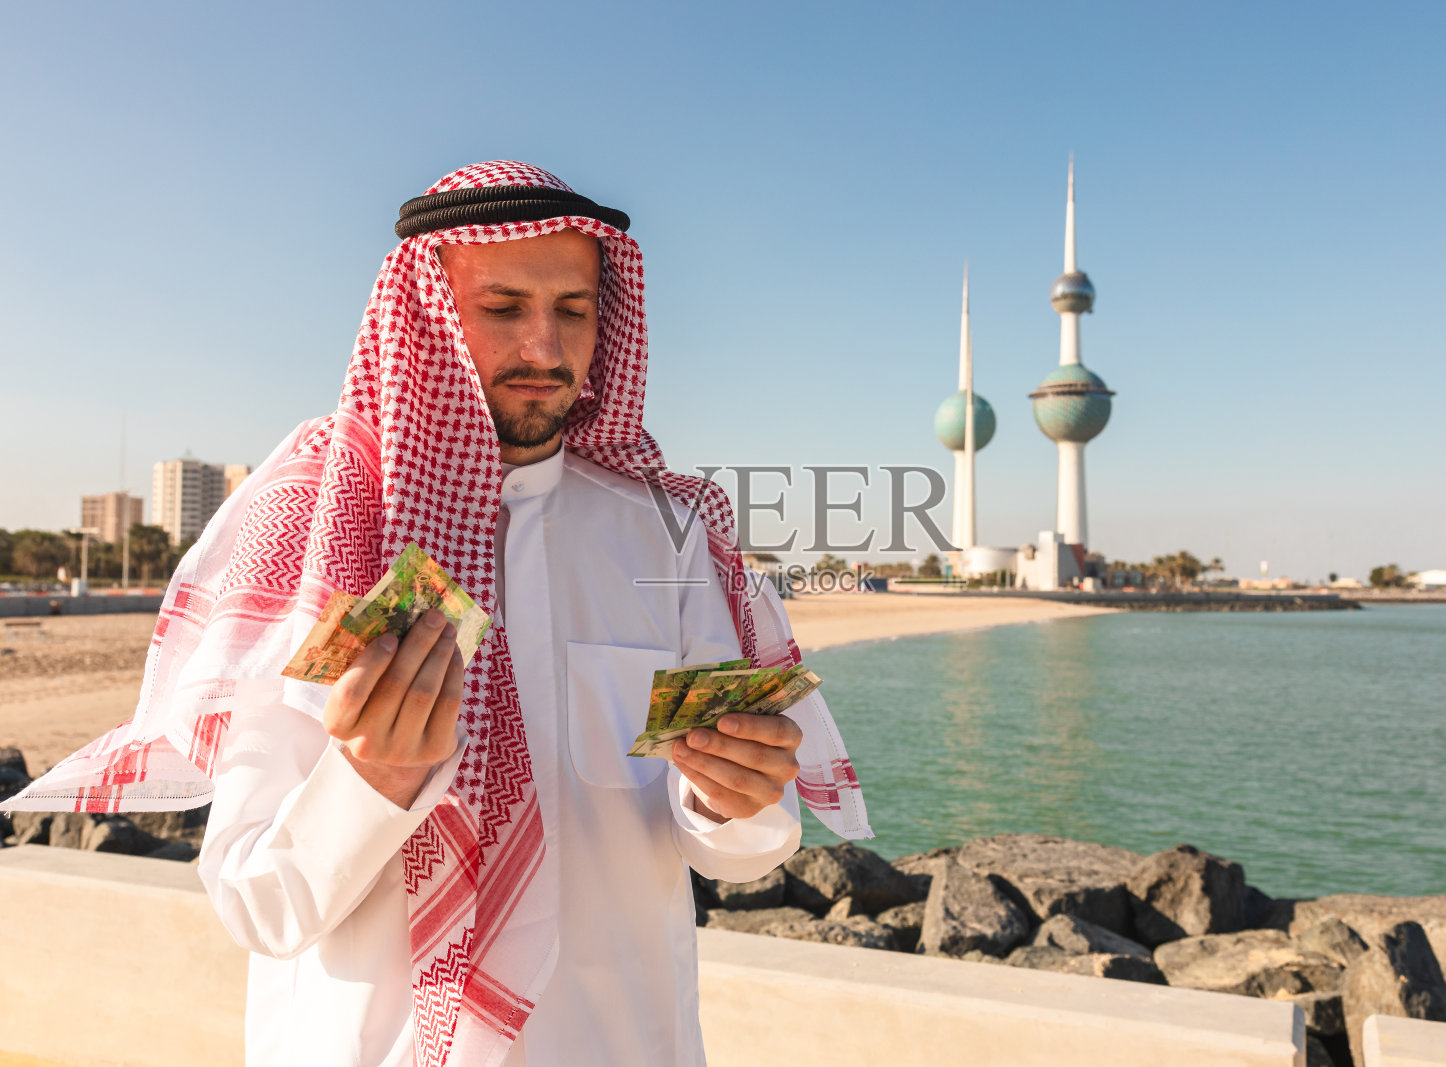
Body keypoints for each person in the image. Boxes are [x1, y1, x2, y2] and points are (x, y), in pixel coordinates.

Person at [6, 160, 870, 1066]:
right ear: (426, 313)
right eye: (503, 307)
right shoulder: (316, 523)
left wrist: (737, 801)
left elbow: (745, 850)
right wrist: (372, 781)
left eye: (573, 310)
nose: (545, 347)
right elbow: (256, 903)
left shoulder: (672, 536)